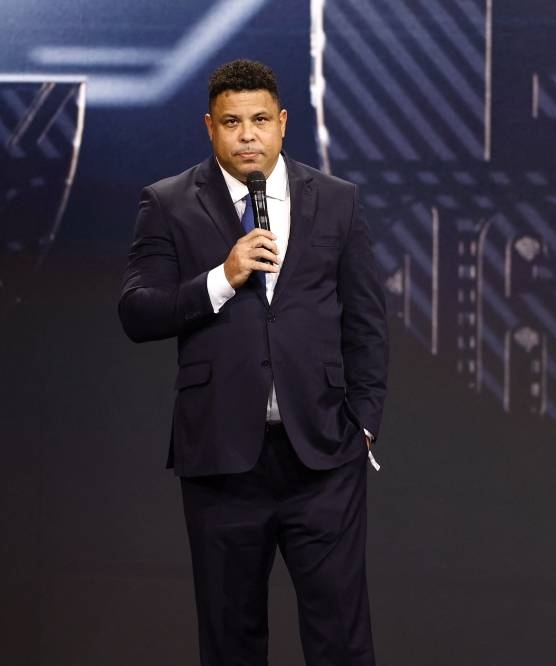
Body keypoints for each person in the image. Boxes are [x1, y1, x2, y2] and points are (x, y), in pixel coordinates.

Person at [119, 59, 388, 665]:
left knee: (342, 641)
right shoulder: (167, 203)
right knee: (230, 642)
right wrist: (222, 277)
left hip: (321, 457)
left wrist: (363, 422)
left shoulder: (338, 202)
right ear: (209, 127)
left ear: (283, 123)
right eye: (233, 122)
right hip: (221, 462)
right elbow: (137, 312)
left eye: (261, 120)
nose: (248, 135)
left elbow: (366, 323)